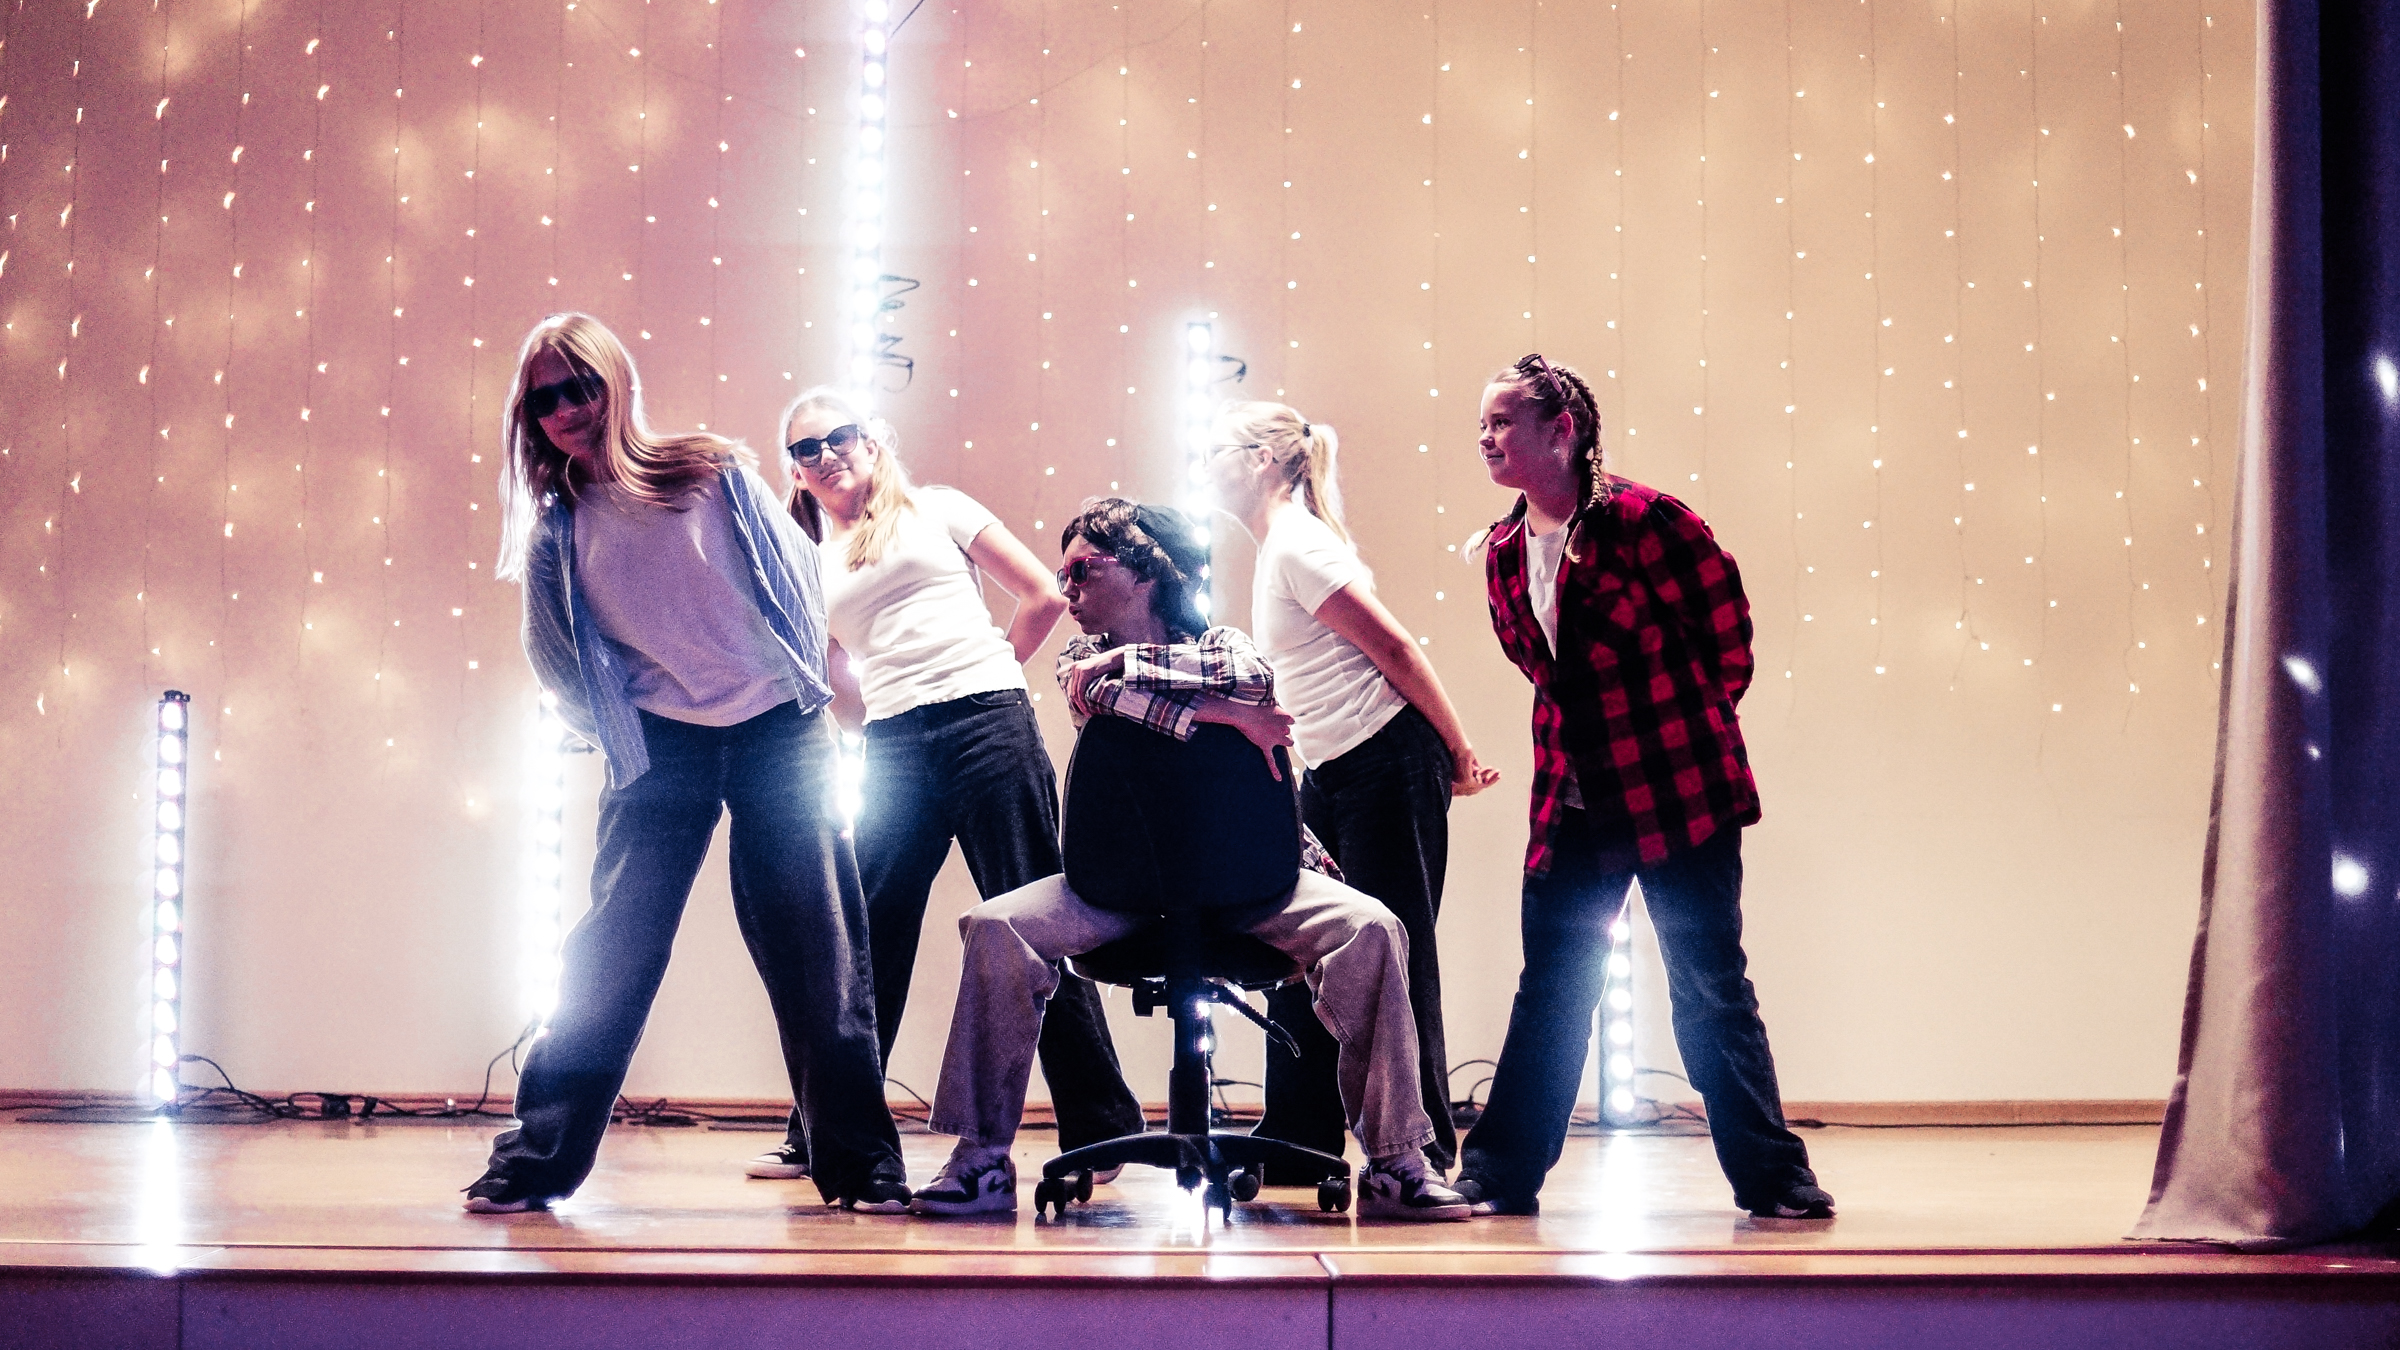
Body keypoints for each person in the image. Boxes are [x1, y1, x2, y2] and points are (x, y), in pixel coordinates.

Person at [906, 498, 1471, 1222]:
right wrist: (1227, 715)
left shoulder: (1225, 643)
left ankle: (1397, 1163)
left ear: (1145, 572)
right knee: (994, 926)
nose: (1066, 587)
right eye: (1062, 573)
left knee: (1374, 927)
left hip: (1256, 880)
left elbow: (1245, 674)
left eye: (1082, 569)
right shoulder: (1079, 658)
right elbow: (1097, 690)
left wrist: (1152, 675)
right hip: (1118, 886)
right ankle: (980, 1160)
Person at [464, 313, 910, 1214]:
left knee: (817, 948)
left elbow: (798, 580)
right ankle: (537, 1157)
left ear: (617, 385)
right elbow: (553, 656)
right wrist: (617, 728)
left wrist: (802, 692)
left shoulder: (710, 472)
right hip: (660, 743)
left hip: (776, 728)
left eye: (581, 387)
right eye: (545, 399)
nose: (566, 409)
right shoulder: (559, 529)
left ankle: (863, 1164)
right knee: (612, 947)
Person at [1450, 353, 1832, 1220]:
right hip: (1572, 801)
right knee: (1553, 986)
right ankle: (1499, 1173)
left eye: (1504, 421)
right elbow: (1541, 670)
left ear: (1562, 430)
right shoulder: (1503, 550)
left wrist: (1679, 727)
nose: (1487, 438)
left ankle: (1774, 1177)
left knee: (1709, 984)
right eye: (1483, 424)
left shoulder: (1647, 520)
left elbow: (1727, 637)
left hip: (1676, 792)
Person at [742, 390, 1144, 1182]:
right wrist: (881, 720)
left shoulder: (940, 508)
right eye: (805, 448)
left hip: (988, 724)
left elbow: (1043, 593)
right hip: (895, 745)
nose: (825, 454)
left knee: (1035, 918)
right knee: (862, 938)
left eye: (839, 437)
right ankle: (823, 1134)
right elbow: (831, 672)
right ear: (794, 471)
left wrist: (985, 673)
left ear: (871, 441)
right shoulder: (810, 562)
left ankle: (1102, 1125)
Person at [1208, 401, 1500, 1177]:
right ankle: (1299, 1138)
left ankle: (1420, 1145)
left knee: (1394, 953)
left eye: (1217, 451)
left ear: (1263, 459)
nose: (1204, 466)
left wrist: (1459, 750)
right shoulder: (1282, 546)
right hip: (1333, 771)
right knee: (1299, 942)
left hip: (1387, 759)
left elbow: (1395, 648)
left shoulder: (1299, 543)